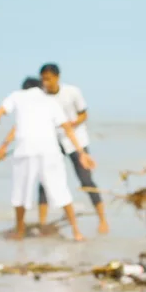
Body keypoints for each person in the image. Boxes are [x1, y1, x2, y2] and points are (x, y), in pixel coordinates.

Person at [0, 77, 94, 241]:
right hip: (50, 151)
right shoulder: (50, 101)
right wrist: (82, 152)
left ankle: (19, 232)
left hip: (25, 150)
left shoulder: (17, 96)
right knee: (61, 190)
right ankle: (77, 232)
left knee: (20, 192)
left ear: (23, 88)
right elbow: (67, 129)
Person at [37, 63, 108, 234]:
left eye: (49, 78)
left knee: (86, 181)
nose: (46, 82)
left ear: (57, 77)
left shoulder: (72, 92)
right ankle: (41, 223)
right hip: (53, 142)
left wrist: (73, 123)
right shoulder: (41, 96)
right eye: (43, 79)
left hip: (76, 141)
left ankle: (103, 220)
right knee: (44, 182)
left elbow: (84, 113)